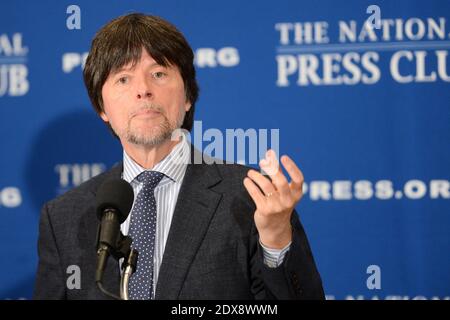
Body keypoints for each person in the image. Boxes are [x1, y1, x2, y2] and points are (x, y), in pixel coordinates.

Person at [33, 13, 324, 300]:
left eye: (158, 74)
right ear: (102, 108)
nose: (143, 90)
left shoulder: (252, 197)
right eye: (123, 79)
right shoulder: (63, 218)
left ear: (187, 97)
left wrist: (275, 240)